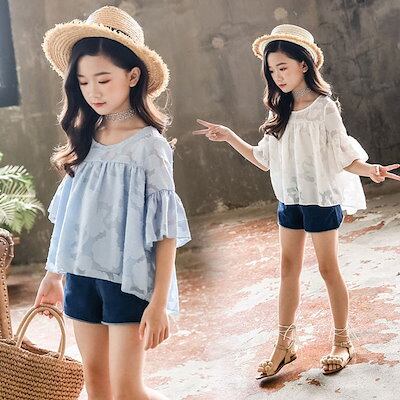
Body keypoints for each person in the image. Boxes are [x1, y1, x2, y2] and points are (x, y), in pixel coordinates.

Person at [193, 24, 400, 377]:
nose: (277, 76)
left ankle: (342, 341)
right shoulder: (279, 110)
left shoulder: (324, 108)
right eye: (272, 70)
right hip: (289, 201)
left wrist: (371, 170)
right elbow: (263, 159)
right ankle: (284, 345)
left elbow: (342, 156)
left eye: (283, 67)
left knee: (327, 269)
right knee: (288, 270)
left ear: (304, 64)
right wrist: (229, 137)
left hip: (320, 201)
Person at [34, 6, 191, 399]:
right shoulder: (86, 136)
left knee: (126, 391)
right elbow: (70, 216)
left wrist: (159, 302)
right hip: (80, 277)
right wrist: (54, 274)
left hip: (128, 280)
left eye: (103, 79)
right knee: (96, 384)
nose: (94, 92)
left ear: (132, 76)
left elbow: (166, 231)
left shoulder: (149, 146)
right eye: (84, 82)